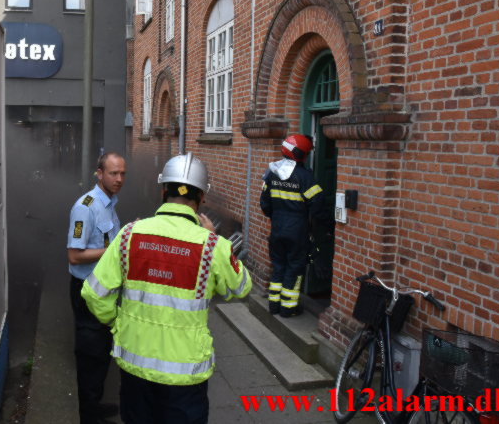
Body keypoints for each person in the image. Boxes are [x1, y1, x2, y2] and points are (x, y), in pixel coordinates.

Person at [81, 152, 252, 424]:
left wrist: (117, 323)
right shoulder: (212, 245)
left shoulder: (129, 234)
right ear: (202, 198)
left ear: (163, 191)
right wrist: (219, 240)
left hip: (135, 367)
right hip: (185, 377)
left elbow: (93, 292)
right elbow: (241, 286)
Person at [67, 152, 127, 424]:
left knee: (102, 350)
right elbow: (74, 255)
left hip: (104, 290)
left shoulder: (109, 203)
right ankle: (88, 416)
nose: (119, 179)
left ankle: (94, 405)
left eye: (122, 173)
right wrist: (114, 249)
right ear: (99, 173)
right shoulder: (86, 206)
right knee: (91, 353)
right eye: (113, 173)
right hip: (86, 291)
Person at [260, 134, 328, 317]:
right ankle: (288, 308)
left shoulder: (271, 174)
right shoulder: (305, 177)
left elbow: (265, 205)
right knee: (294, 268)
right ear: (302, 153)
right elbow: (318, 205)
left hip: (277, 229)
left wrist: (278, 217)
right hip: (297, 231)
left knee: (279, 266)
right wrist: (325, 227)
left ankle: (274, 305)